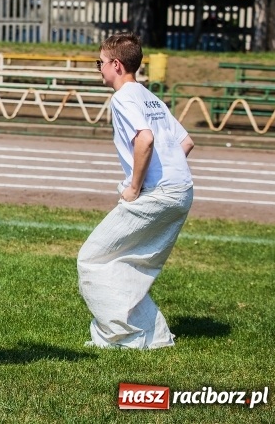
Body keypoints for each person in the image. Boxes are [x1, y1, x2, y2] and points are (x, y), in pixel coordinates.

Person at [77, 32, 195, 349]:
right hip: (181, 191)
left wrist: (134, 187)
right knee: (125, 261)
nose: (98, 68)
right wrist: (166, 173)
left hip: (157, 195)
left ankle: (120, 336)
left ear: (116, 64)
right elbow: (186, 142)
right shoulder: (149, 96)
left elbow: (144, 139)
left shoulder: (124, 98)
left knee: (92, 259)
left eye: (99, 62)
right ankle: (152, 337)